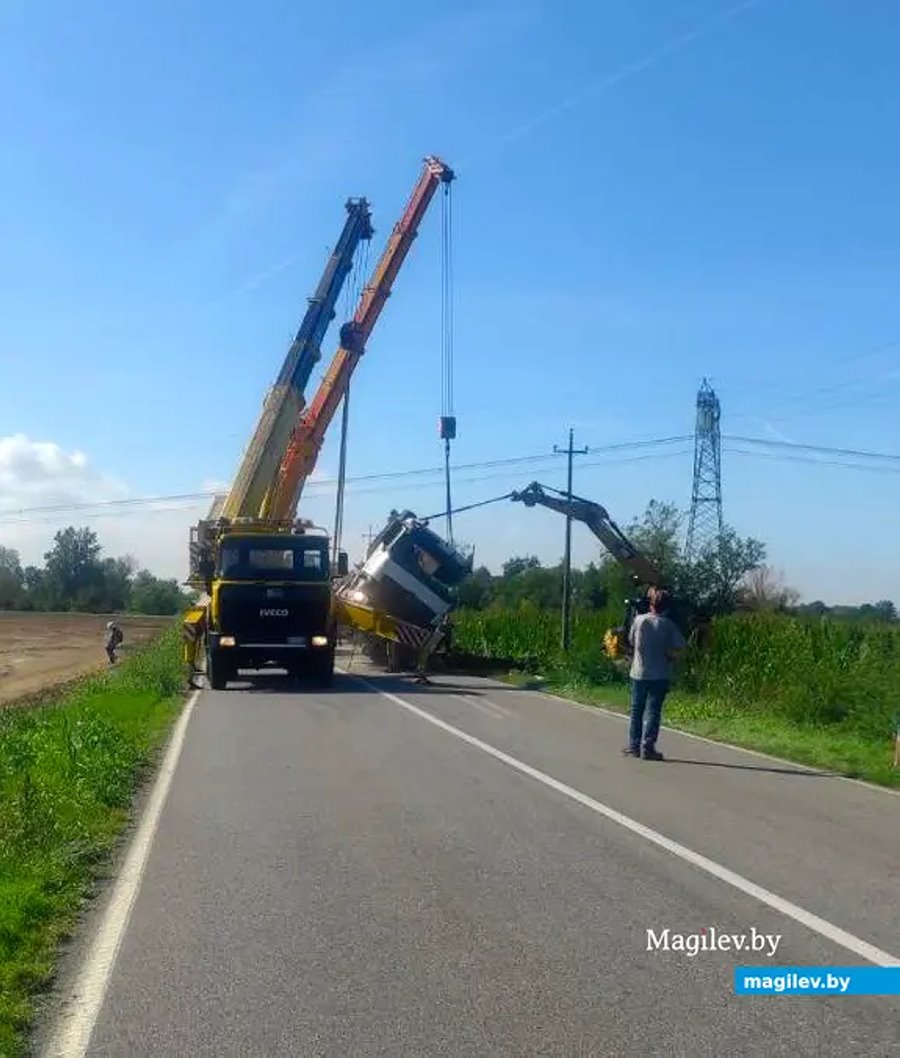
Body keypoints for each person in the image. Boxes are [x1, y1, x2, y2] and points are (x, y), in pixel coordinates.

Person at [623, 587, 685, 761]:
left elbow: (631, 641)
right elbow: (680, 646)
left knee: (637, 710)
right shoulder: (667, 625)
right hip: (660, 673)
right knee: (653, 711)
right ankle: (648, 747)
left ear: (650, 605)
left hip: (639, 672)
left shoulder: (639, 621)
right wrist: (670, 656)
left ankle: (634, 745)